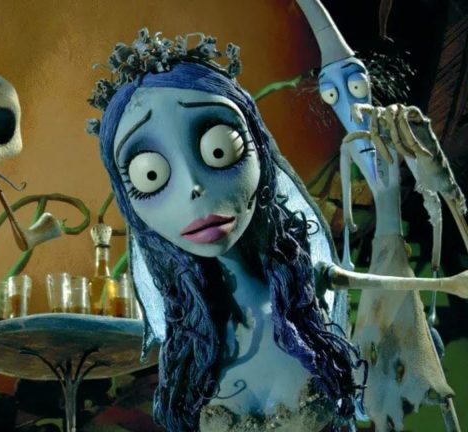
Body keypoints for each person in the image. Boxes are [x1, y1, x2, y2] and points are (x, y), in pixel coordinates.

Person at [88, 29, 360, 431]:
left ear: (260, 151)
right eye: (150, 175)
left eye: (219, 148)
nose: (193, 186)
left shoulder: (310, 294)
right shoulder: (188, 350)